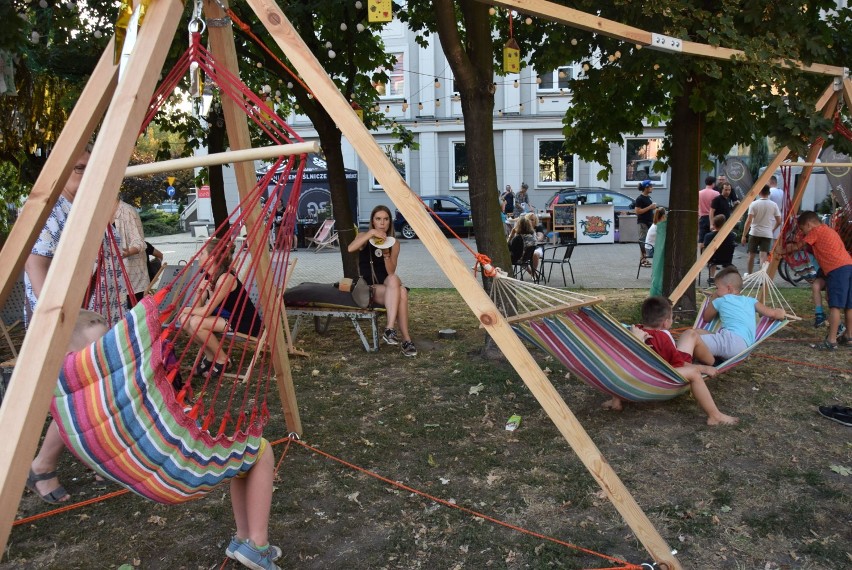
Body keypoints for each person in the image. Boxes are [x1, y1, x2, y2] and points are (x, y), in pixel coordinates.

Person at [23, 146, 122, 504]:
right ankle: (42, 466)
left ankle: (95, 458)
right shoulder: (52, 210)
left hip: (87, 313)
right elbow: (35, 264)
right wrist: (53, 319)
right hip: (62, 318)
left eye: (89, 168)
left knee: (98, 389)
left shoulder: (83, 208)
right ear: (58, 172)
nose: (85, 175)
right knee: (81, 393)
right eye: (78, 169)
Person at [605, 296, 737, 426]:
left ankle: (616, 401)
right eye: (672, 318)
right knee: (694, 368)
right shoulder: (662, 338)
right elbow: (677, 364)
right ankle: (715, 415)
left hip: (637, 371)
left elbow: (623, 360)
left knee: (690, 334)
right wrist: (702, 369)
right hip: (660, 374)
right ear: (666, 323)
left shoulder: (634, 331)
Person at [178, 239, 262, 378]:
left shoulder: (225, 278)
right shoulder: (208, 276)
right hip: (225, 318)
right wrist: (199, 291)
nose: (198, 255)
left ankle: (223, 360)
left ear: (211, 258)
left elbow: (205, 312)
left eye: (202, 253)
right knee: (185, 320)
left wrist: (183, 309)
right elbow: (197, 308)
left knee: (195, 321)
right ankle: (210, 357)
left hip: (244, 322)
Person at [347, 205, 416, 357]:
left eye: (386, 219)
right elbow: (350, 248)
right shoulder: (364, 237)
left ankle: (391, 330)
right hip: (367, 288)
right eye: (378, 219)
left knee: (396, 282)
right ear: (373, 221)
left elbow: (391, 272)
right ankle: (405, 340)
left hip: (386, 288)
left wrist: (386, 254)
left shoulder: (394, 243)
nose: (382, 223)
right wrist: (371, 233)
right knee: (402, 291)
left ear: (390, 222)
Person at [788, 211, 852, 350]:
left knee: (834, 306)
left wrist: (784, 249)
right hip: (848, 266)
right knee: (848, 305)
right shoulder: (829, 230)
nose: (803, 232)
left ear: (809, 225)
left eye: (803, 229)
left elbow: (799, 246)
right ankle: (848, 336)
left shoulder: (815, 231)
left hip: (836, 269)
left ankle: (831, 341)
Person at [697, 267, 786, 361]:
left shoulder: (721, 300)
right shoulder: (751, 301)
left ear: (729, 288)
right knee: (697, 332)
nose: (716, 291)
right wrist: (780, 312)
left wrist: (713, 298)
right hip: (744, 349)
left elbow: (706, 318)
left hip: (730, 343)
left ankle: (706, 363)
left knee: (691, 338)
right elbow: (773, 314)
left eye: (717, 288)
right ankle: (711, 360)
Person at [225, 438, 283, 570]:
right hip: (190, 455)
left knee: (239, 457)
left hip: (171, 458)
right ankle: (258, 545)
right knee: (260, 450)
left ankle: (243, 537)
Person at [113, 200, 149, 304]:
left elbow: (140, 242)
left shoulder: (127, 210)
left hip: (133, 278)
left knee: (133, 316)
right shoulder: (99, 211)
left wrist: (127, 252)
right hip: (112, 278)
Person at [741, 185, 781, 274]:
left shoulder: (754, 204)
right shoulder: (773, 205)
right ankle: (762, 276)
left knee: (751, 255)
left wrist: (744, 235)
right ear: (769, 193)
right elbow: (779, 221)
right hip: (767, 233)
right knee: (763, 256)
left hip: (754, 232)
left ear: (759, 193)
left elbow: (748, 221)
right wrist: (772, 229)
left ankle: (749, 274)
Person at [702, 215, 737, 286]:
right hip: (727, 258)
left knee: (712, 255)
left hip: (713, 259)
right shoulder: (731, 235)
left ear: (714, 225)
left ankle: (712, 277)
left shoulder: (708, 236)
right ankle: (725, 278)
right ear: (724, 224)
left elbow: (705, 247)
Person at [634, 180, 657, 266]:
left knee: (649, 241)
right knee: (643, 241)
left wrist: (654, 209)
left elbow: (649, 209)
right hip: (642, 222)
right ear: (646, 188)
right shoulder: (640, 199)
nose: (652, 188)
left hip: (650, 222)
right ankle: (643, 260)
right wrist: (650, 207)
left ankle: (645, 258)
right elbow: (637, 211)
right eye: (650, 186)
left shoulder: (649, 198)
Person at [698, 176, 719, 245]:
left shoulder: (699, 193)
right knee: (712, 239)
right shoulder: (716, 193)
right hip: (713, 218)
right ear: (713, 183)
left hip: (702, 217)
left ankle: (702, 254)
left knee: (702, 239)